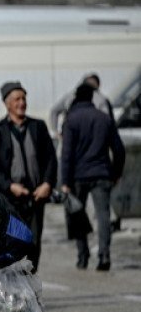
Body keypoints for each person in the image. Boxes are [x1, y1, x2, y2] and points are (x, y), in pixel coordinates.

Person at [0, 82, 57, 273]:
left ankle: (29, 285)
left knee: (33, 243)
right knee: (13, 244)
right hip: (9, 200)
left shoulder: (38, 126)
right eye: (17, 99)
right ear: (7, 104)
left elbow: (51, 157)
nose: (22, 103)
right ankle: (13, 291)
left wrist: (47, 183)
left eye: (24, 98)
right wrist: (9, 186)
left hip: (35, 196)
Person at [61, 83, 126, 271]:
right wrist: (116, 174)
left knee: (77, 214)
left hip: (78, 176)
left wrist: (65, 182)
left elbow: (67, 154)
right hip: (102, 173)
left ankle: (83, 256)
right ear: (91, 98)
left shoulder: (71, 121)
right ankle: (104, 255)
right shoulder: (105, 119)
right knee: (103, 216)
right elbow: (119, 150)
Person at [48, 73, 115, 140]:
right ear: (97, 85)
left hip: (70, 135)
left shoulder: (70, 95)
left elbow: (54, 110)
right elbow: (106, 120)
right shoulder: (101, 99)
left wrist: (55, 132)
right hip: (93, 138)